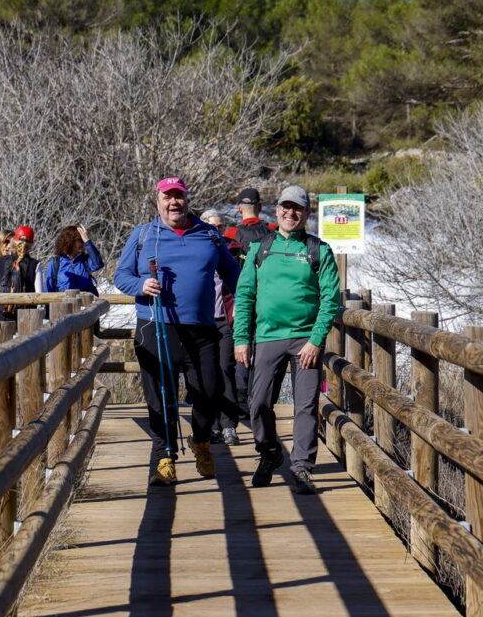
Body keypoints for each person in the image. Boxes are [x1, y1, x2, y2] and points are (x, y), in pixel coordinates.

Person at [115, 178, 240, 486]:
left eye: (178, 197)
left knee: (210, 391)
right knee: (160, 395)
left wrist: (246, 302)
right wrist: (141, 285)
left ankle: (200, 442)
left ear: (186, 199)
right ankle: (164, 456)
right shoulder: (143, 235)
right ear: (157, 201)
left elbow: (232, 273)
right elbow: (121, 275)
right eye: (167, 197)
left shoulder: (209, 235)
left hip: (201, 327)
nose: (173, 203)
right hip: (155, 325)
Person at [233, 185, 340, 492]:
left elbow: (330, 299)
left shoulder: (318, 250)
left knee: (305, 405)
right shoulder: (259, 249)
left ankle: (302, 467)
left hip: (306, 339)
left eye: (298, 208)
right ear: (276, 209)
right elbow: (245, 296)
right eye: (285, 207)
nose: (290, 213)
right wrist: (242, 338)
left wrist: (316, 340)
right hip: (267, 337)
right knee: (259, 403)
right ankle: (269, 453)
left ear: (306, 214)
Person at [199, 209, 243, 447]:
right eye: (211, 225)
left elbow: (240, 281)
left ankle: (228, 426)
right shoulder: (197, 250)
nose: (216, 230)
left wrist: (238, 306)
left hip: (225, 319)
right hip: (202, 320)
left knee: (226, 369)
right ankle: (212, 425)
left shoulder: (231, 251)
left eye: (219, 225)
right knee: (207, 373)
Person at [0, 225, 40, 320]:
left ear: (14, 241)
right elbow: (40, 293)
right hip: (26, 316)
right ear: (31, 244)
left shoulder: (0, 261)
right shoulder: (35, 264)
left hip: (4, 314)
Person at [43, 225, 104, 294]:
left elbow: (98, 264)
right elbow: (48, 289)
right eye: (80, 240)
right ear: (70, 241)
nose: (83, 243)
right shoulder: (55, 264)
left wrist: (87, 240)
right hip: (63, 303)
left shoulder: (84, 260)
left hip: (86, 303)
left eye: (83, 240)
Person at [224, 187, 276, 264]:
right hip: (268, 274)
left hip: (242, 275)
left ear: (239, 209)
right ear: (260, 207)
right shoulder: (274, 228)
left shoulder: (230, 233)